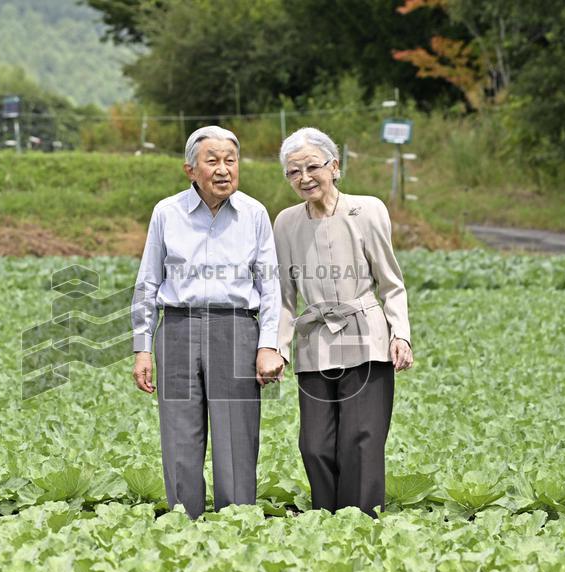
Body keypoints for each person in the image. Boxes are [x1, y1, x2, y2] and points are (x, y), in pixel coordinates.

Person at [131, 125, 285, 519]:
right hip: (178, 329)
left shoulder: (254, 214)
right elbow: (147, 282)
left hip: (236, 330)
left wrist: (269, 344)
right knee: (180, 436)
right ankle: (185, 523)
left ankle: (236, 526)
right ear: (190, 170)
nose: (223, 169)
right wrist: (142, 348)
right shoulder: (167, 213)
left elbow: (270, 287)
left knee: (237, 436)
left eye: (230, 161)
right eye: (212, 161)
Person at [274, 127, 413, 517]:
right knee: (314, 444)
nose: (304, 178)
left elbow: (391, 282)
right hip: (315, 341)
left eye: (312, 167)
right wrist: (277, 349)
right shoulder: (285, 222)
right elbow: (284, 296)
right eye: (293, 172)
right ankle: (326, 518)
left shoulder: (367, 210)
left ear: (334, 167)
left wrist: (400, 333)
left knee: (362, 438)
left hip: (366, 336)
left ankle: (362, 522)